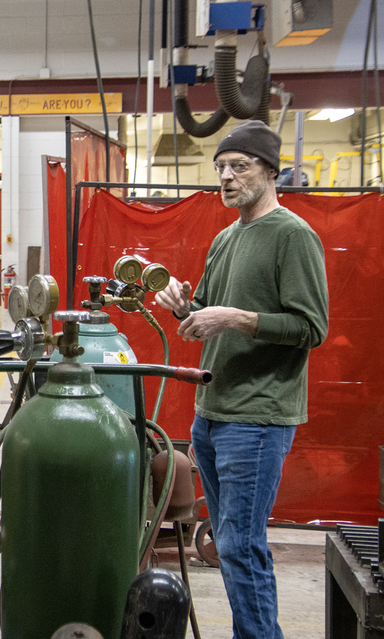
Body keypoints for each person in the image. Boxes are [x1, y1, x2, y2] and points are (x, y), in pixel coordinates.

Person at [154, 120, 329, 639]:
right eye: (221, 168)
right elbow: (206, 312)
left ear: (270, 171)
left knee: (239, 545)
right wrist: (185, 306)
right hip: (213, 411)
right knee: (234, 544)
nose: (226, 177)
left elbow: (310, 327)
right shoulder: (227, 237)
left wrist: (234, 317)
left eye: (239, 167)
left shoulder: (293, 236)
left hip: (256, 416)